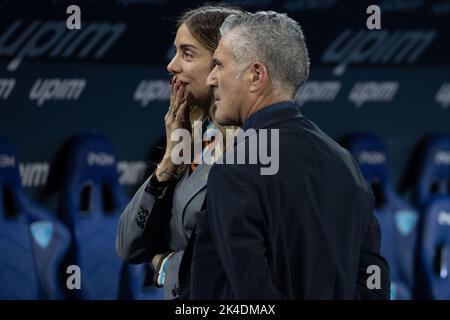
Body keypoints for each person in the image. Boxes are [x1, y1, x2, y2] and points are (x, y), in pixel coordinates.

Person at [189, 11, 390, 299]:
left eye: (219, 65)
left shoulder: (237, 168)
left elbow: (251, 297)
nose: (210, 79)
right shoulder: (346, 164)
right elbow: (373, 284)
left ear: (256, 75)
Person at [115, 4, 243, 300]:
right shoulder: (194, 141)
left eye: (187, 54)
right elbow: (129, 244)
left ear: (222, 63)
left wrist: (167, 266)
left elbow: (244, 264)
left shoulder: (258, 149)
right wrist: (170, 160)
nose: (172, 66)